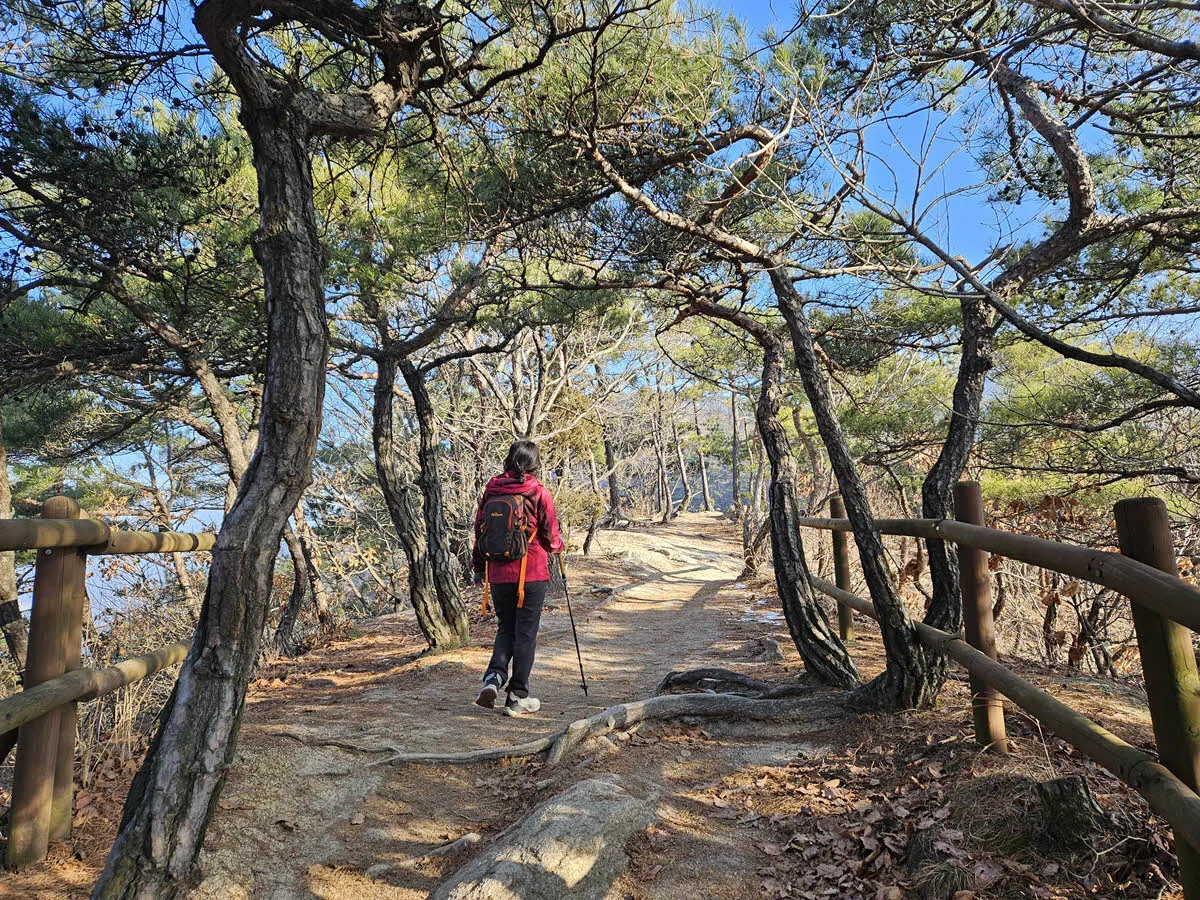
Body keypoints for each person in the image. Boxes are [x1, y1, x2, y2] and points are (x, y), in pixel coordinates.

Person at [472, 439, 564, 716]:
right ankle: (517, 696)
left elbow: (480, 533)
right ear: (535, 464)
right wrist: (558, 547)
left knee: (505, 628)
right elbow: (550, 535)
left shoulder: (491, 491)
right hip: (532, 574)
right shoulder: (539, 492)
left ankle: (493, 679)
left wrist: (479, 568)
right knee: (525, 633)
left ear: (508, 461)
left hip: (498, 574)